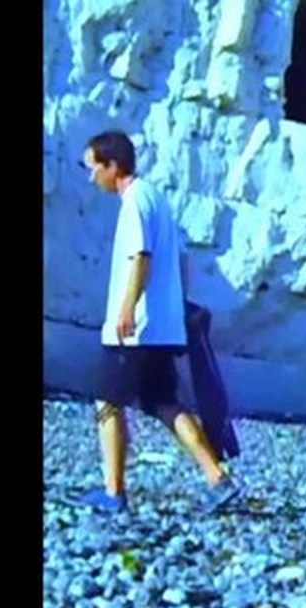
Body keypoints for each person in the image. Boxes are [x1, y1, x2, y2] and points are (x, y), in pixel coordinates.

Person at [72, 130, 239, 514]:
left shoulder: (134, 202)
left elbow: (140, 257)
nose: (92, 177)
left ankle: (113, 493)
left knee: (107, 402)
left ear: (113, 166)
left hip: (137, 330)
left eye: (94, 168)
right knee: (164, 403)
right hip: (162, 328)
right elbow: (174, 258)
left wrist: (127, 309)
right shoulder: (156, 198)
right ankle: (218, 479)